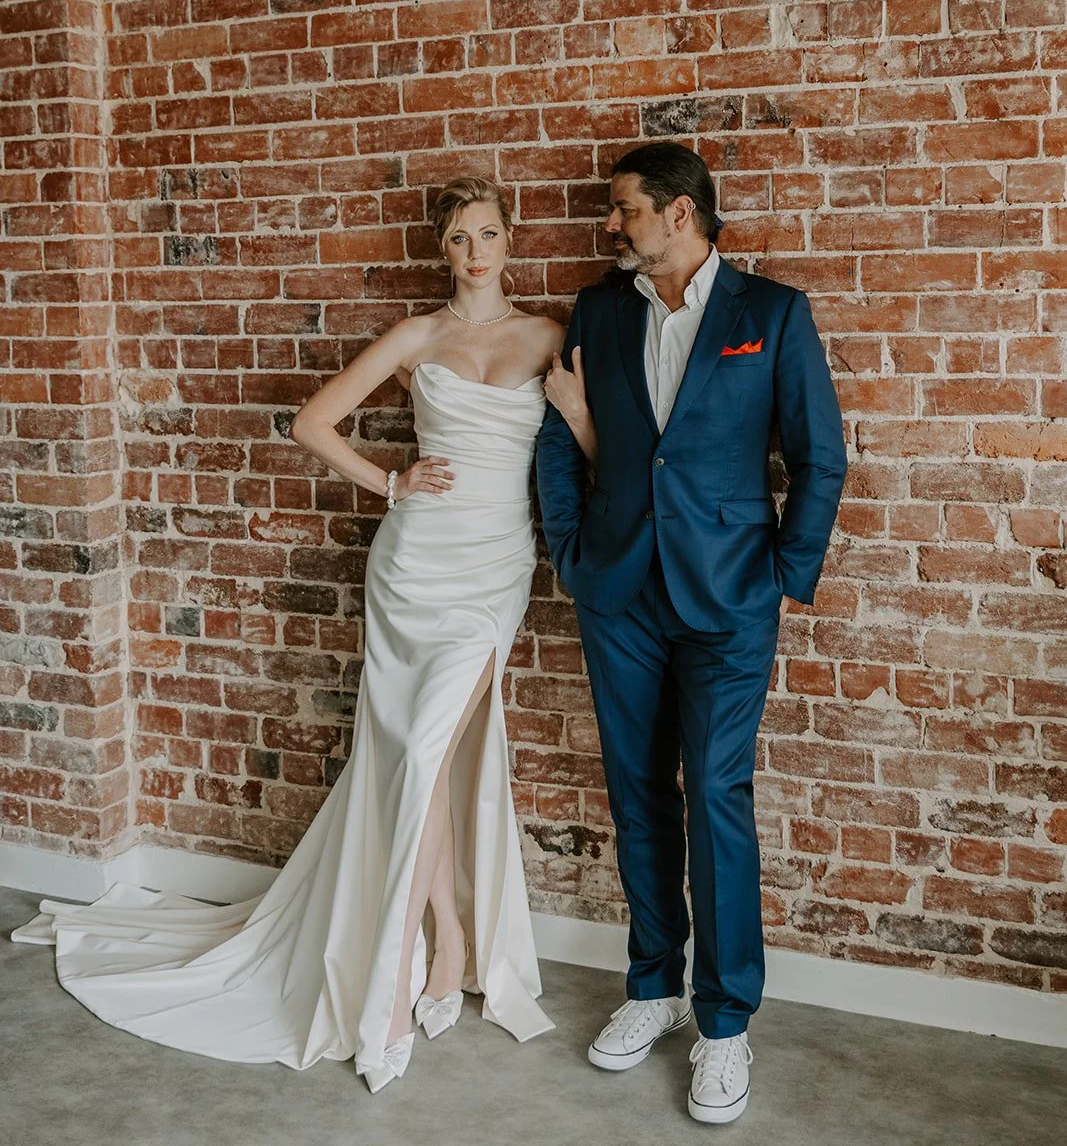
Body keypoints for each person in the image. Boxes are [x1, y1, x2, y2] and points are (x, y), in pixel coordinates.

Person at [14, 176, 564, 1093]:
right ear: (444, 250)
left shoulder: (549, 336)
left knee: (431, 762)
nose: (476, 251)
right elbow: (312, 421)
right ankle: (424, 959)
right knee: (413, 764)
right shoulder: (416, 337)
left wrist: (579, 419)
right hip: (414, 563)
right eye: (461, 237)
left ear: (511, 242)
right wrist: (389, 484)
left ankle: (441, 948)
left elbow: (589, 443)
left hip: (494, 568)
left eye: (490, 234)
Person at [536, 142, 847, 1126]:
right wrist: (570, 555)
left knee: (713, 795)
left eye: (624, 208)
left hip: (729, 601)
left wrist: (781, 580)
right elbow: (559, 440)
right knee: (635, 792)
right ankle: (649, 987)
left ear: (679, 213)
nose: (612, 225)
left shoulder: (770, 313)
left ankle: (721, 1022)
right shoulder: (596, 311)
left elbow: (818, 457)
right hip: (617, 592)